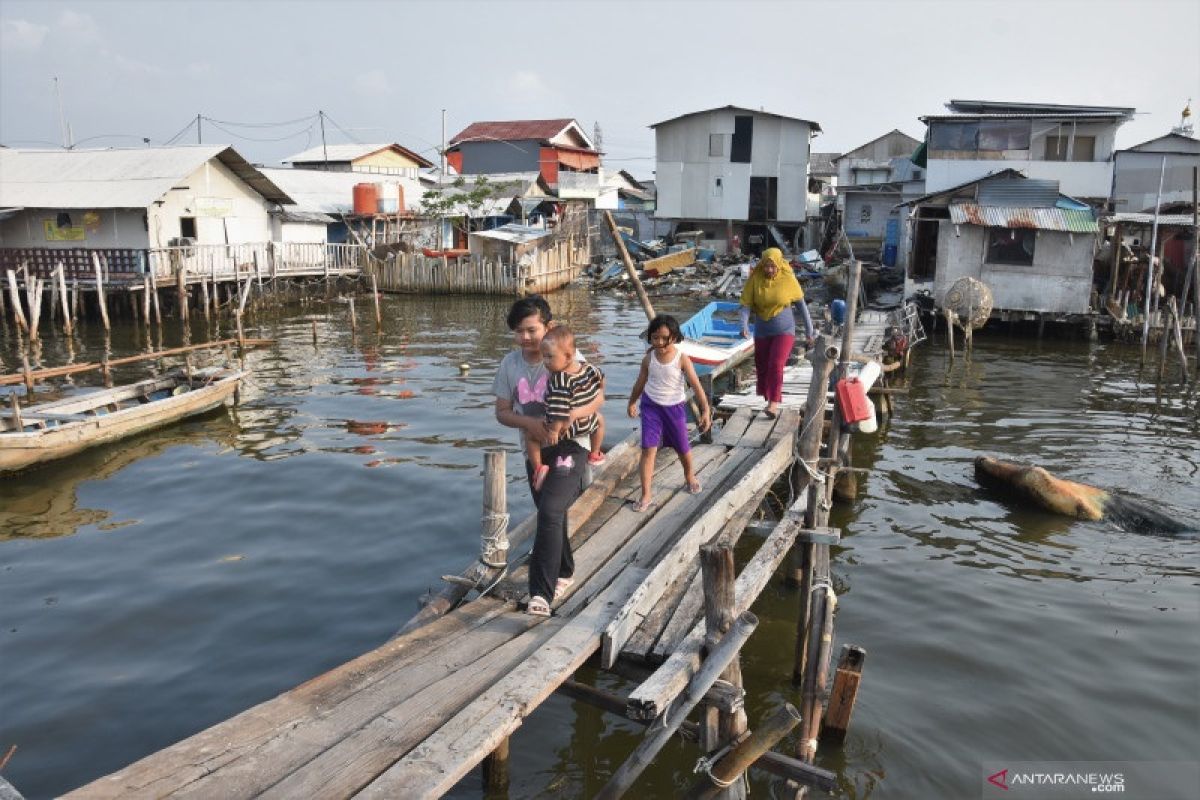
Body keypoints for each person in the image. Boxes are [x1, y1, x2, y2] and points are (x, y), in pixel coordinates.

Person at [492, 296, 603, 617]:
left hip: (572, 447)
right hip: (535, 450)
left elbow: (598, 397)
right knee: (551, 513)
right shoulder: (510, 364)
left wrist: (569, 419)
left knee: (551, 510)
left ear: (548, 327)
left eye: (531, 330)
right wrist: (529, 423)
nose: (525, 339)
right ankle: (565, 572)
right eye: (518, 332)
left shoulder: (566, 355)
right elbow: (501, 412)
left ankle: (540, 593)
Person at [626, 315, 712, 513]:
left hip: (674, 408)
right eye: (655, 338)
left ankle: (690, 476)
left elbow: (697, 386)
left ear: (674, 337)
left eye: (665, 338)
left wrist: (705, 410)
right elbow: (640, 383)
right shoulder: (648, 359)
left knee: (682, 447)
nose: (660, 343)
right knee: (648, 449)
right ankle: (646, 494)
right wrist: (632, 402)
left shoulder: (682, 359)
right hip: (651, 407)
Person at [739, 247, 815, 418]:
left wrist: (810, 330)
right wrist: (743, 325)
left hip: (784, 330)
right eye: (766, 266)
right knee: (762, 366)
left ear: (780, 264)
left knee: (776, 364)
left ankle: (773, 402)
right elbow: (745, 306)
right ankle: (769, 398)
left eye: (773, 267)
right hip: (762, 330)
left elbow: (801, 305)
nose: (770, 270)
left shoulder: (788, 278)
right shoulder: (755, 278)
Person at [528, 325, 606, 491]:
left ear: (568, 356)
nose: (545, 361)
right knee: (600, 420)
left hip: (566, 427)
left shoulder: (559, 380)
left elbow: (559, 410)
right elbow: (601, 380)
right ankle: (595, 453)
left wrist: (554, 431)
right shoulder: (588, 368)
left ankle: (538, 468)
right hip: (589, 422)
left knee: (531, 435)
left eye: (549, 357)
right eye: (544, 356)